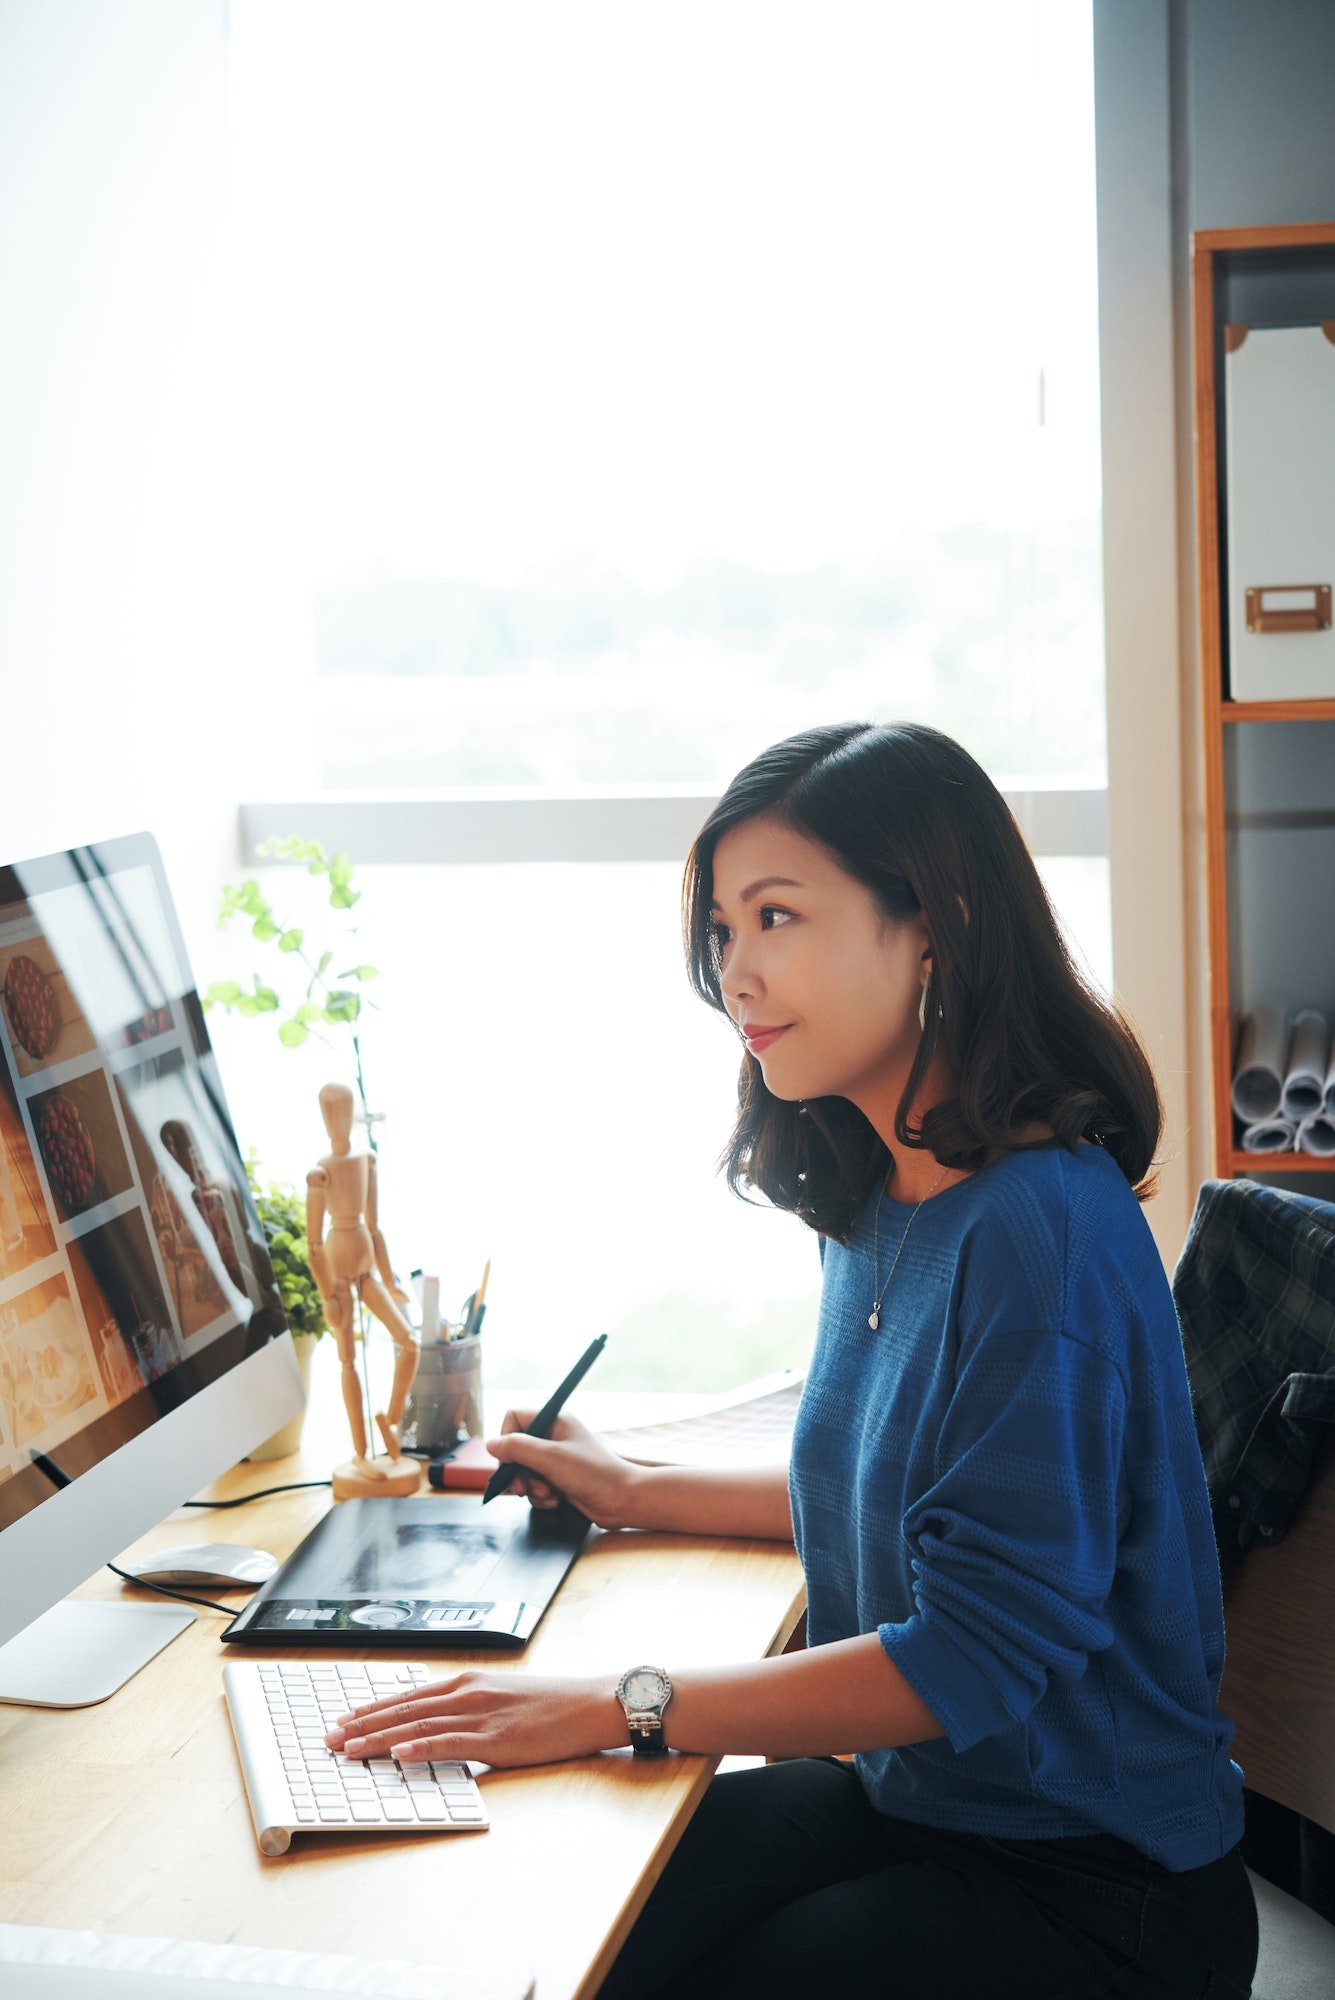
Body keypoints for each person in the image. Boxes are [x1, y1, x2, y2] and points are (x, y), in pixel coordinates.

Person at [324, 722, 1258, 2000]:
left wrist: (623, 1697)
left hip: (1098, 1887)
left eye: (777, 916)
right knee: (564, 1922)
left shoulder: (1039, 1232)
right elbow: (909, 1501)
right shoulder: (883, 1194)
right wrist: (638, 1489)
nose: (736, 973)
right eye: (722, 928)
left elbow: (977, 1653)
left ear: (935, 920)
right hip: (926, 1804)